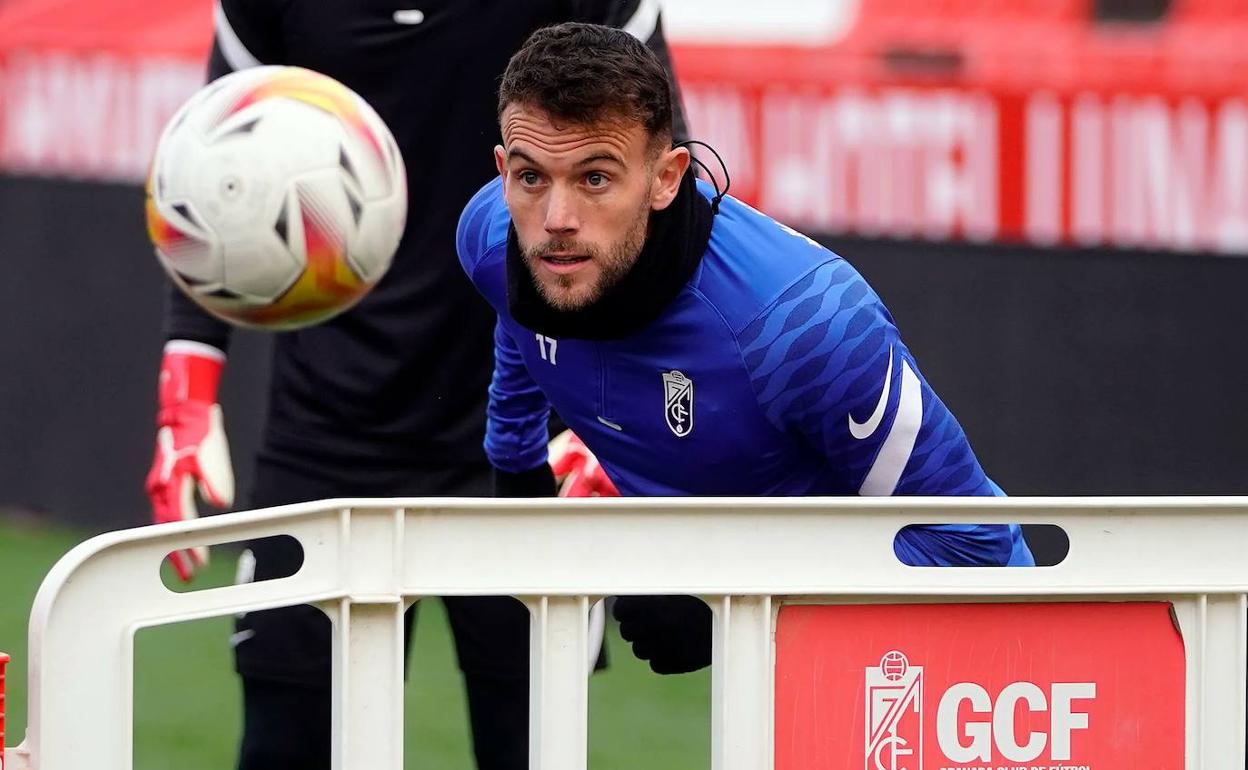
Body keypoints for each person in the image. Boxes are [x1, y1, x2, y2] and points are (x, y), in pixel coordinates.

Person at [143, 3, 686, 768]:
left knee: (529, 746)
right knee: (283, 747)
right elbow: (210, 178)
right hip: (325, 434)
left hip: (530, 442)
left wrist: (627, 414)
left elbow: (665, 188)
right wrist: (187, 390)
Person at [458, 21, 1035, 675]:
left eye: (595, 179)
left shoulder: (807, 324)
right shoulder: (492, 235)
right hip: (783, 667)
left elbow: (971, 549)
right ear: (504, 172)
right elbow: (519, 323)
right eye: (532, 178)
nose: (556, 220)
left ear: (667, 177)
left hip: (973, 662)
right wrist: (518, 475)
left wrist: (735, 599)